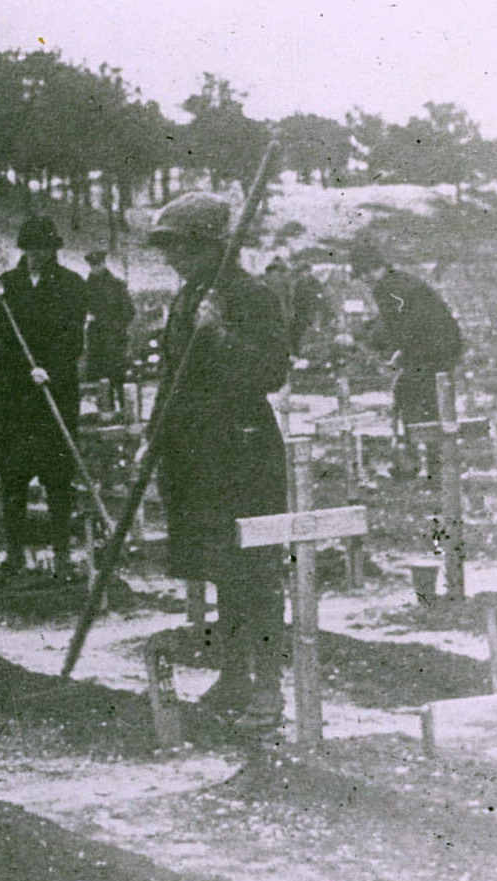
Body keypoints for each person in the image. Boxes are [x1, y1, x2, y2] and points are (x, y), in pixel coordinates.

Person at [148, 193, 291, 736]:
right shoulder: (187, 298)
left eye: (179, 246)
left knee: (255, 572)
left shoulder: (252, 296)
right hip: (193, 451)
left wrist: (220, 334)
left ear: (212, 245)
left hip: (242, 450)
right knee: (219, 569)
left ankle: (268, 689)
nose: (171, 257)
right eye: (167, 247)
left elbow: (271, 371)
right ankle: (233, 677)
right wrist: (152, 437)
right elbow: (171, 376)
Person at [0, 215, 88, 573]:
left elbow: (74, 336)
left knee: (57, 473)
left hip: (52, 387)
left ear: (54, 250)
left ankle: (62, 553)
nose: (38, 255)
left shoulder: (71, 284)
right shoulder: (7, 285)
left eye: (44, 249)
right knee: (13, 472)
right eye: (31, 249)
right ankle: (15, 553)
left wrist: (50, 369)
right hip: (13, 393)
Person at [349, 239, 463, 441]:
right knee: (434, 404)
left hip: (430, 352)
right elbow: (405, 321)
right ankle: (431, 454)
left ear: (378, 268)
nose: (365, 278)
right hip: (443, 348)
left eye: (367, 272)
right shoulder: (401, 280)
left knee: (414, 402)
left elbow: (403, 324)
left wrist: (397, 350)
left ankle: (416, 454)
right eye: (361, 274)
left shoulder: (385, 287)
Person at [84, 248, 136, 411]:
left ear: (104, 264)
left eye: (98, 264)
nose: (95, 268)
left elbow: (129, 311)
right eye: (93, 265)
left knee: (118, 376)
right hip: (97, 339)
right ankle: (106, 413)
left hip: (115, 338)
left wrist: (115, 325)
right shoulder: (86, 288)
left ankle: (125, 412)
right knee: (101, 379)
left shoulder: (117, 285)